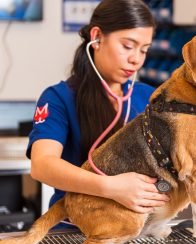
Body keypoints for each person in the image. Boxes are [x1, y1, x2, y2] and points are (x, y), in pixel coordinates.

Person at [26, 0, 169, 229]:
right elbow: (42, 165)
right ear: (97, 37)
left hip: (138, 228)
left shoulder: (149, 97)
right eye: (127, 45)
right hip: (75, 228)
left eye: (144, 50)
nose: (136, 59)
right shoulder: (58, 98)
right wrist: (112, 187)